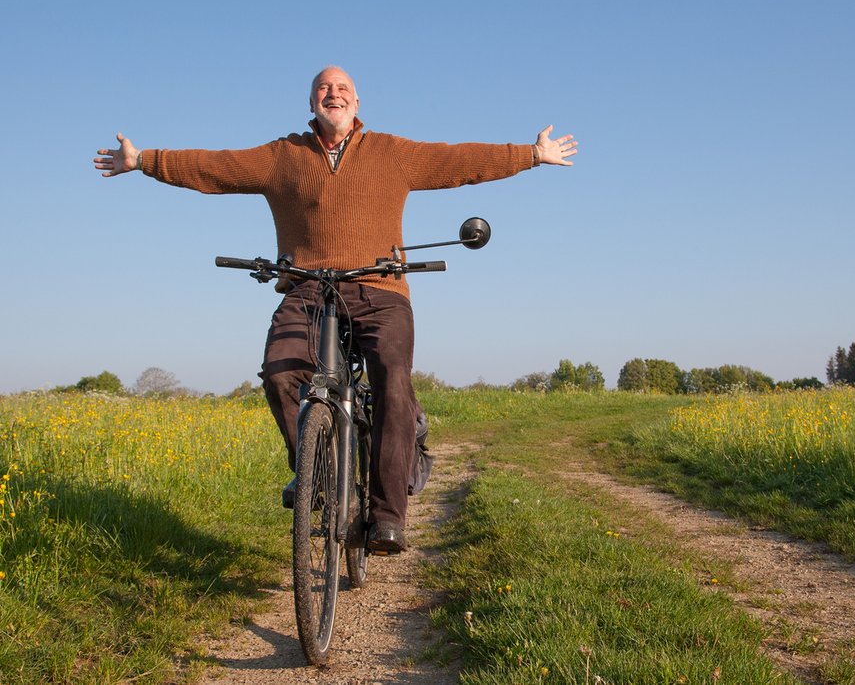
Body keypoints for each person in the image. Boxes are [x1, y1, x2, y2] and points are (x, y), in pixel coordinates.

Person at [94, 66, 578, 554]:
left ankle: (387, 516)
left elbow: (457, 161)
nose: (334, 94)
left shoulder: (393, 153)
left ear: (358, 103)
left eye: (343, 88)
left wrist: (531, 155)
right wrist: (145, 161)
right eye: (323, 88)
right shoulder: (282, 156)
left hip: (379, 289)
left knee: (392, 380)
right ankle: (317, 475)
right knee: (281, 375)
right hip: (306, 290)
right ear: (311, 104)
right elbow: (216, 167)